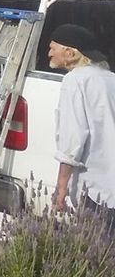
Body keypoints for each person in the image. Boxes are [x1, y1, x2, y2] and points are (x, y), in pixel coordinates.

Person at [48, 23, 115, 220]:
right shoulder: (110, 79)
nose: (49, 53)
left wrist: (61, 187)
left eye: (53, 48)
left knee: (99, 247)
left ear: (70, 52)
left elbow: (73, 138)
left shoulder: (75, 81)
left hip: (97, 189)